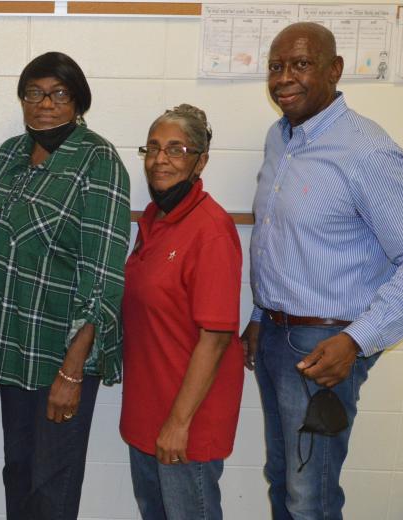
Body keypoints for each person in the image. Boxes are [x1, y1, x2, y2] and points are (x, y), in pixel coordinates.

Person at [243, 22, 403, 518]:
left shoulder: (366, 149)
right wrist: (259, 316)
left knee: (310, 499)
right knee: (282, 482)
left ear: (335, 69)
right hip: (277, 338)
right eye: (276, 67)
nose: (284, 78)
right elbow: (283, 240)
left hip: (326, 350)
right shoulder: (280, 138)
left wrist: (357, 340)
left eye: (300, 64)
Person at [0, 51, 131, 520]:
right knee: (17, 473)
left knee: (52, 484)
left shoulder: (98, 159)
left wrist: (73, 371)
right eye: (34, 93)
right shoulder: (10, 154)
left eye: (58, 93)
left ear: (77, 101)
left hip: (63, 353)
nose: (45, 103)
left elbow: (102, 273)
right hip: (15, 350)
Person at [120, 104, 243, 519]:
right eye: (152, 148)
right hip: (146, 413)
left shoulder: (211, 229)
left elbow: (217, 336)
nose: (159, 160)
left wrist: (178, 422)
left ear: (200, 161)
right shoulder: (154, 219)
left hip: (186, 422)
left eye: (176, 149)